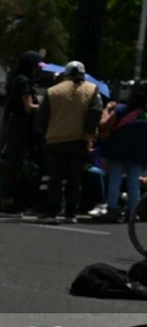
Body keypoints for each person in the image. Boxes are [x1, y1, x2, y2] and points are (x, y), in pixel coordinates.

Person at [36, 60, 102, 223]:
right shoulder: (92, 90)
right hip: (78, 140)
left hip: (55, 139)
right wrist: (89, 135)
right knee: (75, 179)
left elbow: (41, 117)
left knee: (55, 178)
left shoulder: (53, 91)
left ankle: (51, 211)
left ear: (66, 73)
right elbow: (95, 113)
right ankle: (71, 213)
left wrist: (43, 134)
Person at [0, 51, 43, 214]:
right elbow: (29, 107)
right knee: (15, 163)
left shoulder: (15, 80)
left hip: (13, 124)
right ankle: (9, 200)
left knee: (13, 162)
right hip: (21, 126)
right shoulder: (25, 82)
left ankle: (8, 198)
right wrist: (46, 107)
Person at [96, 82, 147, 223]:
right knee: (134, 181)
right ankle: (133, 211)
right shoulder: (145, 114)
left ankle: (113, 209)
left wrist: (107, 109)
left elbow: (104, 125)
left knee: (115, 180)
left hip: (117, 150)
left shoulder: (120, 110)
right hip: (139, 152)